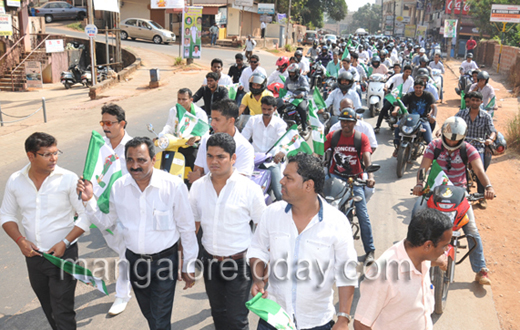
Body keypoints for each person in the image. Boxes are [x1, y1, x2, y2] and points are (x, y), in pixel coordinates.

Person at [79, 137, 198, 330]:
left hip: (164, 263)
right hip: (134, 262)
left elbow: (186, 227)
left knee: (159, 319)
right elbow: (107, 222)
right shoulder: (119, 187)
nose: (135, 166)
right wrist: (89, 201)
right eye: (130, 160)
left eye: (141, 160)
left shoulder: (173, 186)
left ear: (153, 159)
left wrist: (189, 265)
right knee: (150, 314)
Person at [248, 153, 358, 330]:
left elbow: (347, 272)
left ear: (308, 185)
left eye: (288, 178)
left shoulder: (336, 222)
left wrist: (343, 318)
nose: (281, 181)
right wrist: (258, 280)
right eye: (283, 176)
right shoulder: (271, 214)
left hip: (316, 322)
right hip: (273, 316)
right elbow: (258, 250)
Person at [1, 132, 91, 330]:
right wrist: (20, 240)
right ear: (30, 156)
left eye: (56, 153)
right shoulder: (16, 180)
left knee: (63, 310)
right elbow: (6, 216)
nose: (54, 159)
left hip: (63, 255)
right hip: (34, 257)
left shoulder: (68, 179)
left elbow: (85, 217)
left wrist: (64, 242)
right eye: (47, 154)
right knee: (48, 307)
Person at [190, 133, 266, 330]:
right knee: (218, 314)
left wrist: (261, 273)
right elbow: (193, 226)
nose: (214, 162)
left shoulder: (249, 189)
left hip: (239, 265)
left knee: (236, 319)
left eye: (220, 157)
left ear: (233, 158)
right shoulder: (198, 188)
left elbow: (263, 230)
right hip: (210, 263)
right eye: (210, 156)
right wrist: (187, 261)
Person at [412, 117, 495, 285]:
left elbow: (479, 170)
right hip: (434, 191)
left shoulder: (468, 149)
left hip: (459, 194)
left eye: (456, 139)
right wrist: (419, 184)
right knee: (416, 217)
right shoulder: (433, 146)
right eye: (449, 137)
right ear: (443, 133)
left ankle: (481, 270)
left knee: (471, 228)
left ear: (463, 137)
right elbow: (423, 167)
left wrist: (488, 186)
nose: (451, 141)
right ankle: (413, 261)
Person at [354, 208, 453, 330]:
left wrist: (439, 260)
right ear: (428, 245)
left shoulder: (421, 256)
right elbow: (360, 324)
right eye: (444, 246)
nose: (446, 250)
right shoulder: (382, 275)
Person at [324, 108, 376, 266]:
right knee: (324, 211)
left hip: (355, 180)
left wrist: (370, 176)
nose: (345, 124)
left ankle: (370, 251)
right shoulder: (332, 136)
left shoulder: (361, 138)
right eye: (343, 121)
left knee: (363, 215)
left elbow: (367, 156)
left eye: (349, 121)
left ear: (355, 122)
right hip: (335, 178)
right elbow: (320, 152)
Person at [99, 104, 133, 316]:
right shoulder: (100, 146)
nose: (105, 127)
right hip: (105, 207)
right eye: (103, 123)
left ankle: (122, 294)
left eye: (110, 123)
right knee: (116, 245)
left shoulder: (133, 147)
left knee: (124, 252)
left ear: (122, 123)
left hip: (127, 207)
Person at [189, 100, 254, 183]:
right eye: (212, 119)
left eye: (217, 120)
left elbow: (238, 183)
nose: (212, 123)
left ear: (231, 121)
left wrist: (203, 179)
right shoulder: (206, 141)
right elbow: (196, 172)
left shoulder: (245, 148)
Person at [159, 88, 209, 184]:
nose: (181, 102)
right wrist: (161, 136)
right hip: (176, 144)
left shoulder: (200, 113)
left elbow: (205, 132)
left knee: (195, 163)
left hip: (192, 145)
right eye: (179, 99)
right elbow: (169, 126)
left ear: (191, 100)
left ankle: (198, 183)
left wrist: (197, 138)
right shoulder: (173, 111)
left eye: (184, 99)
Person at [242, 96, 287, 200]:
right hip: (252, 160)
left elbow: (284, 142)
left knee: (279, 194)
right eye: (264, 109)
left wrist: (281, 153)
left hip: (271, 162)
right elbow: (243, 138)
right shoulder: (253, 120)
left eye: (269, 109)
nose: (266, 112)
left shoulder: (280, 124)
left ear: (275, 109)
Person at [456, 91, 496, 207]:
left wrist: (491, 139)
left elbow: (492, 131)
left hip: (478, 147)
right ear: (469, 101)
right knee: (454, 165)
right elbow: (452, 123)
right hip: (462, 145)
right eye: (472, 100)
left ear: (481, 102)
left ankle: (482, 196)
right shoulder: (461, 114)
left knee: (480, 170)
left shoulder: (486, 116)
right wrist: (441, 131)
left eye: (477, 100)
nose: (474, 102)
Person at [391, 80, 436, 155]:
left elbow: (434, 106)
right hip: (409, 118)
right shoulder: (409, 95)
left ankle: (432, 157)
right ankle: (397, 147)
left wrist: (433, 116)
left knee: (429, 140)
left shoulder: (428, 95)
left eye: (420, 87)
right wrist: (395, 110)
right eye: (416, 87)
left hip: (422, 119)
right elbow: (400, 104)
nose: (418, 89)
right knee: (398, 126)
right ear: (414, 87)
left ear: (423, 87)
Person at [284, 63, 310, 131]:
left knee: (302, 108)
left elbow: (306, 88)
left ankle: (304, 126)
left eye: (293, 73)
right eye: (290, 73)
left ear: (297, 72)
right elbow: (285, 89)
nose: (291, 74)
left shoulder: (302, 78)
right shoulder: (287, 79)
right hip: (290, 98)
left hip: (301, 99)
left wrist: (301, 94)